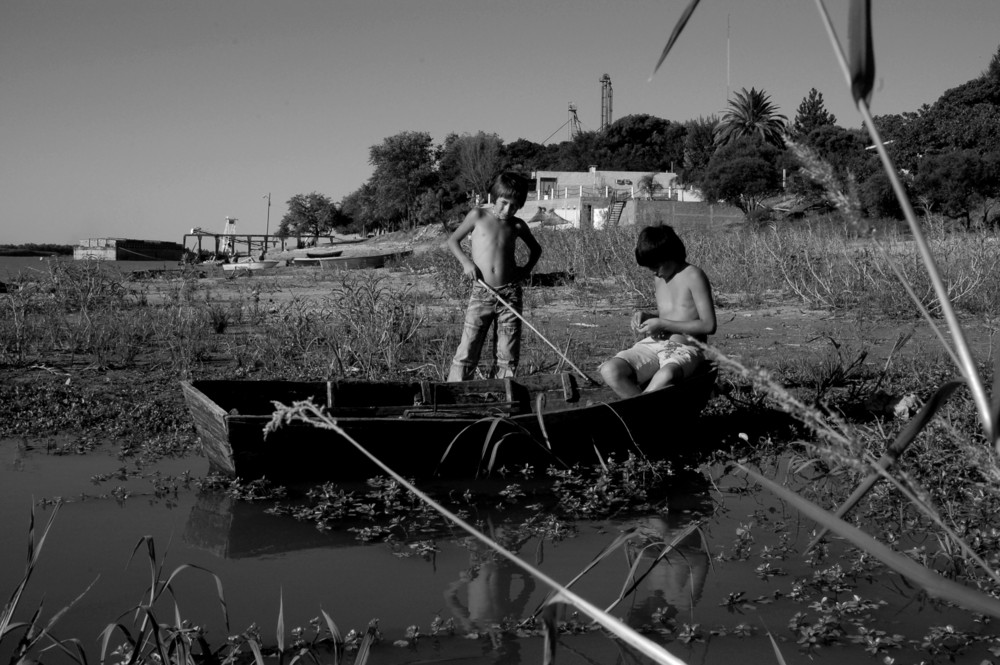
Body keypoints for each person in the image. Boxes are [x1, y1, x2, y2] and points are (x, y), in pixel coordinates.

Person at [600, 224, 716, 398]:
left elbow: (708, 325)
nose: (654, 272)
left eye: (656, 266)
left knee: (665, 376)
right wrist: (648, 318)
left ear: (670, 255)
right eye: (650, 268)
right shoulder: (659, 279)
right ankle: (643, 415)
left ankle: (638, 415)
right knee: (610, 370)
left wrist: (662, 323)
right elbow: (673, 316)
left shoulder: (693, 275)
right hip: (654, 345)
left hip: (684, 349)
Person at [447, 172, 542, 382]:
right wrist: (466, 263)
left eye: (514, 206)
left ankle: (501, 393)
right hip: (482, 292)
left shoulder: (517, 225)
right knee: (468, 347)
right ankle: (455, 391)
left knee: (508, 353)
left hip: (510, 295)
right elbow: (453, 241)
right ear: (494, 197)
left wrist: (525, 270)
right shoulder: (478, 215)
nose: (507, 210)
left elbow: (536, 250)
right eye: (504, 203)